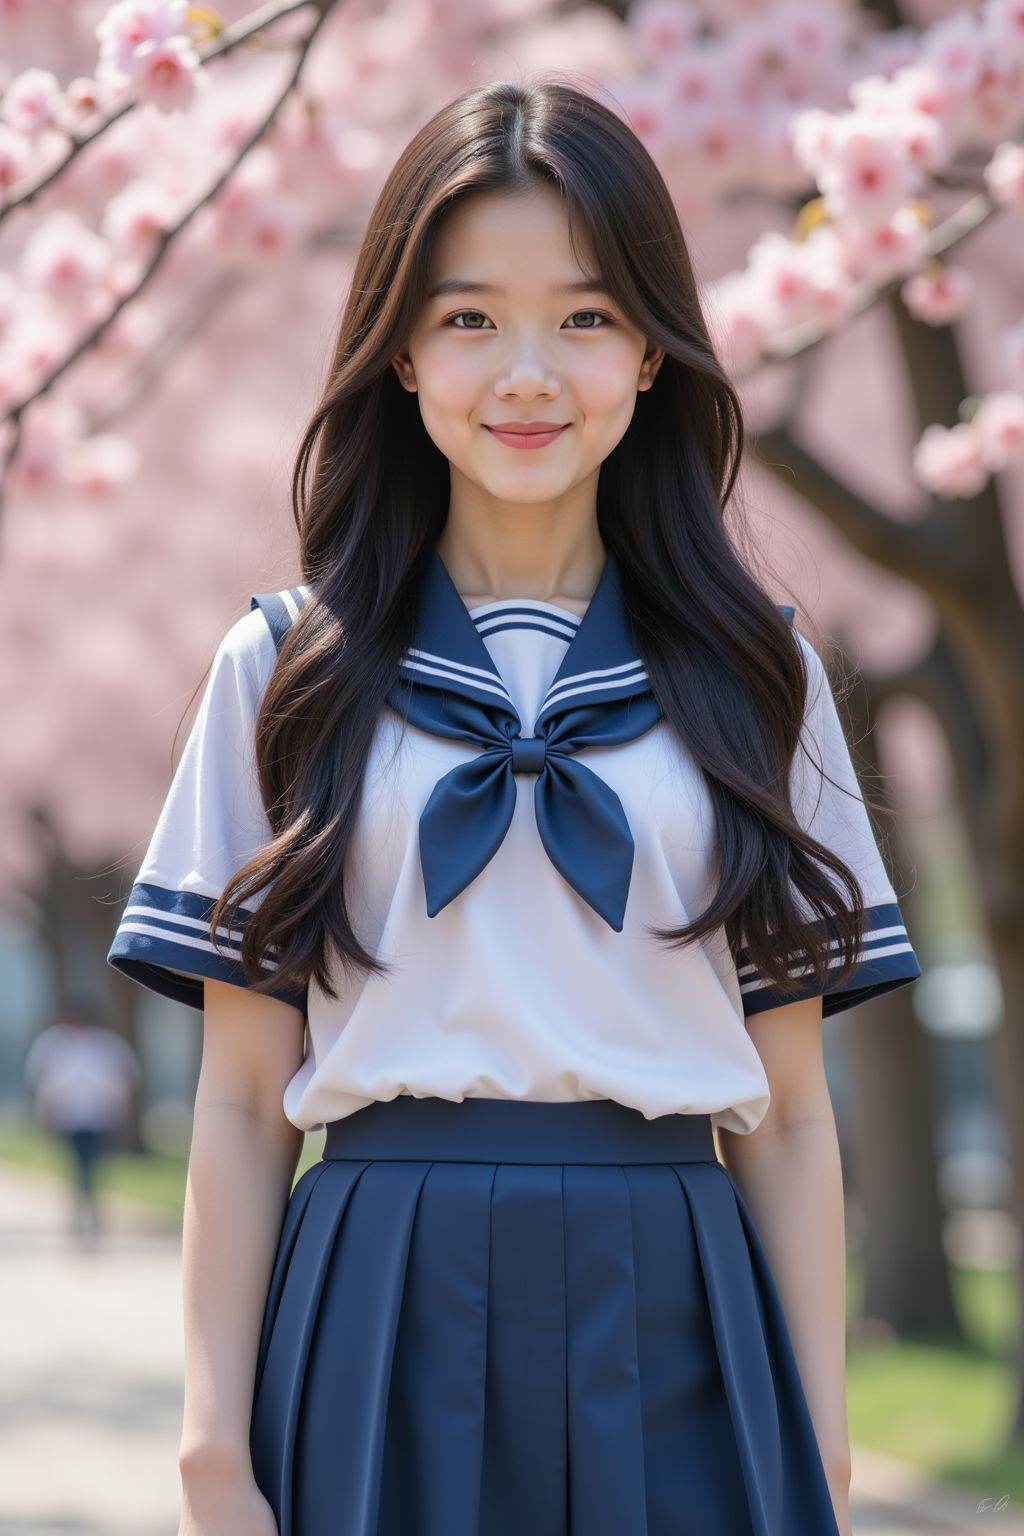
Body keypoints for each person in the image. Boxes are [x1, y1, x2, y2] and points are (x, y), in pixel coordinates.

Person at [107, 78, 922, 1536]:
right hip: (376, 1295)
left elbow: (791, 1118)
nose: (528, 372)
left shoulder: (759, 672)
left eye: (589, 318)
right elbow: (240, 1100)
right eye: (472, 317)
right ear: (402, 350)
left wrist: (826, 1456)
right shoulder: (285, 669)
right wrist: (210, 1453)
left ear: (656, 354)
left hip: (679, 1291)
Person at [23, 994, 139, 1243]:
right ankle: (82, 1209)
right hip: (68, 1118)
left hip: (100, 1118)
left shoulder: (108, 1044)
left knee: (92, 1165)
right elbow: (42, 1082)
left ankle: (89, 1210)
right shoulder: (53, 1042)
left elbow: (125, 1081)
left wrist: (121, 1114)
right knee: (77, 1165)